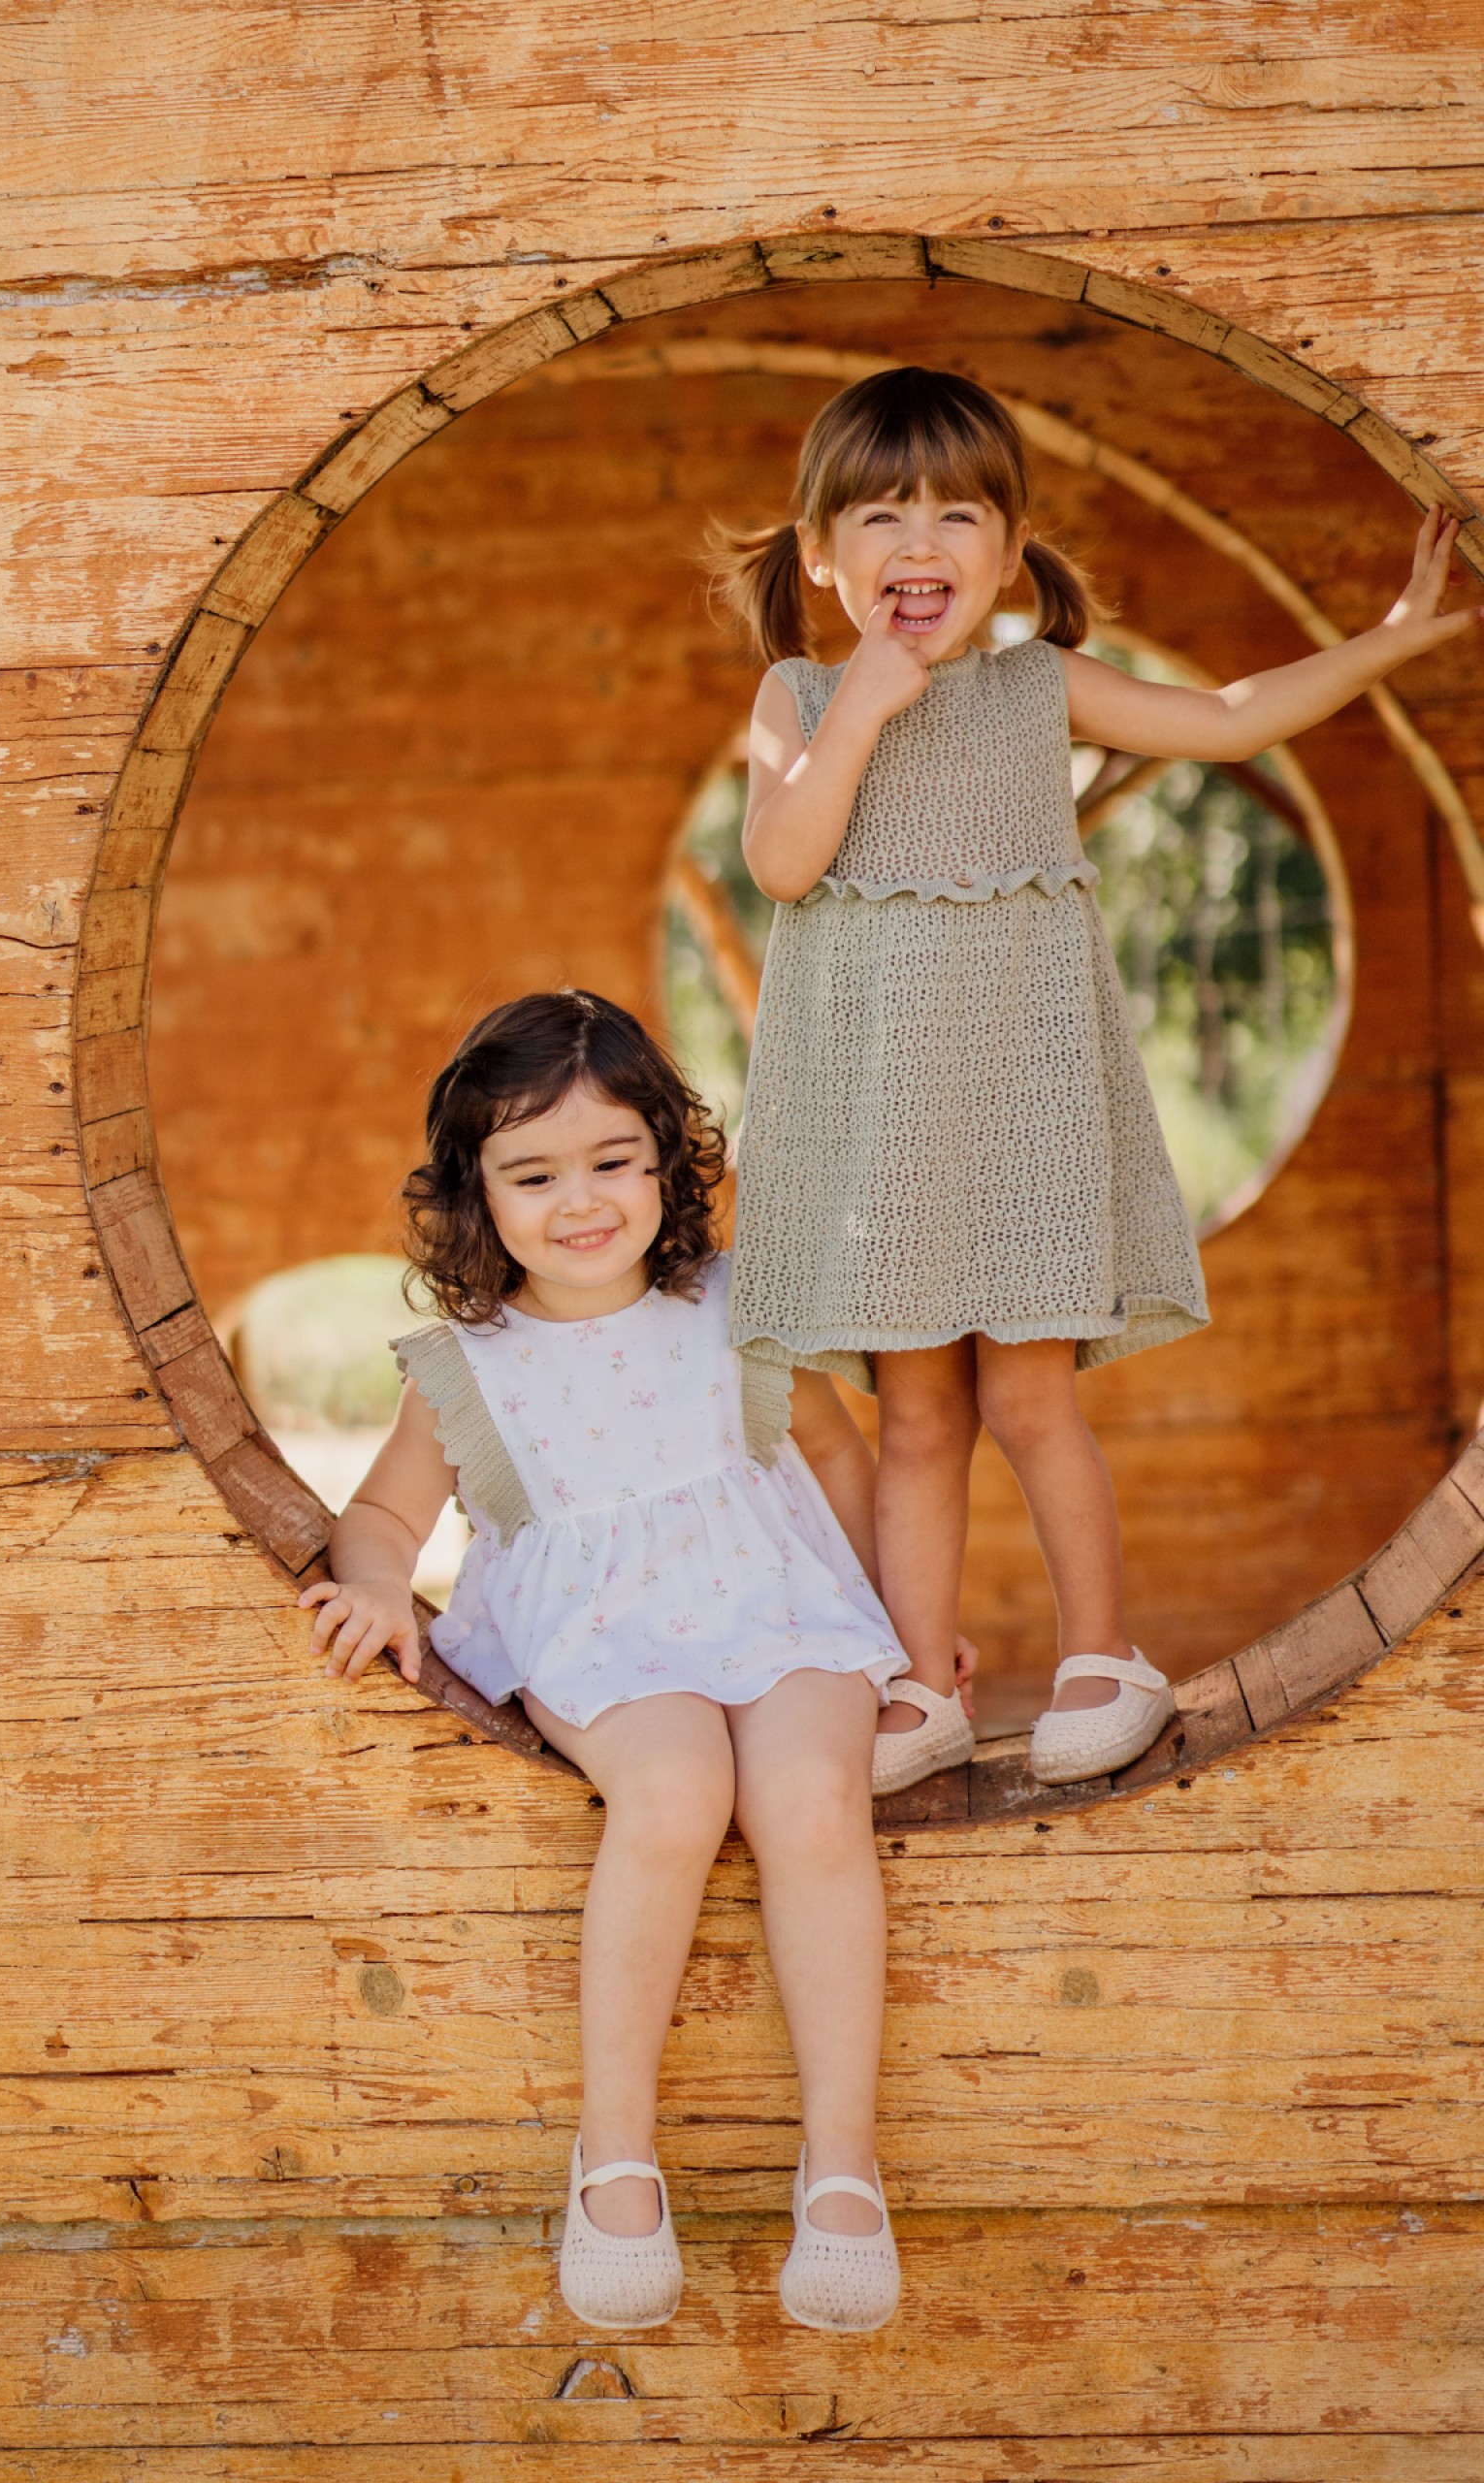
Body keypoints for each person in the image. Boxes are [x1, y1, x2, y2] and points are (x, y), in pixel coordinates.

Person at [716, 365, 1475, 1794]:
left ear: (1009, 552)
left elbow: (1235, 717)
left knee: (1030, 1403)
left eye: (959, 514)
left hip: (1020, 1120)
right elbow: (779, 860)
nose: (921, 545)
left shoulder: (1035, 688)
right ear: (821, 555)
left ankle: (1101, 1657)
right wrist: (862, 710)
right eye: (882, 516)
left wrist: (1386, 640)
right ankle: (919, 1678)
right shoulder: (799, 696)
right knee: (919, 1418)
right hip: (884, 1146)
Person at [300, 988, 923, 2335]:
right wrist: (373, 1587)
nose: (579, 1202)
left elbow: (831, 1452)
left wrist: (900, 1629)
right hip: (602, 1628)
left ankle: (841, 2163)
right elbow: (383, 1516)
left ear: (665, 1160)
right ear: (476, 1192)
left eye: (611, 1162)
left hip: (781, 1601)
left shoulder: (730, 1306)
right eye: (532, 1175)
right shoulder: (474, 1364)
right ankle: (618, 2156)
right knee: (678, 1793)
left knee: (815, 1798)